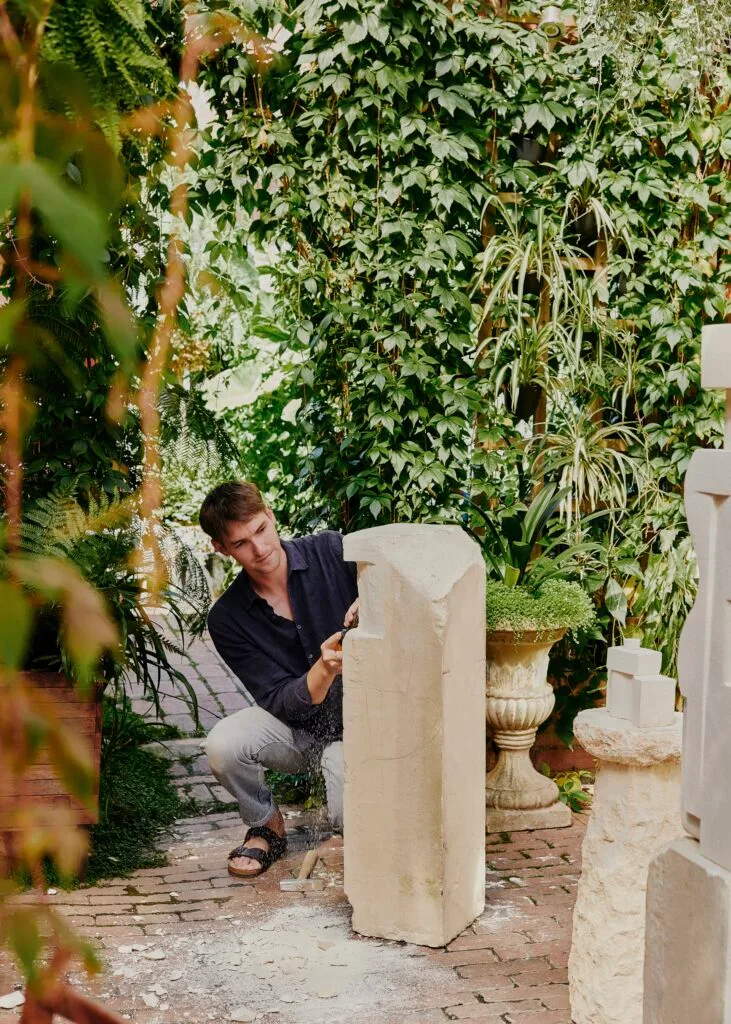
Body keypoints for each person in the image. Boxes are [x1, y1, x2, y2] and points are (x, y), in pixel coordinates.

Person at [199, 481, 358, 879]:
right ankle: (266, 824)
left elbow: (400, 575)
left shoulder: (332, 551)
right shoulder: (227, 618)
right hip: (297, 734)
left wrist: (374, 597)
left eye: (260, 530)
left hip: (365, 726)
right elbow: (278, 700)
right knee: (224, 744)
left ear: (270, 515)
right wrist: (323, 670)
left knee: (346, 819)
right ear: (222, 549)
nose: (260, 548)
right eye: (241, 543)